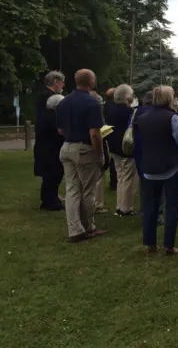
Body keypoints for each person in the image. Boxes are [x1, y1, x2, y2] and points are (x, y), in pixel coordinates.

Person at [57, 69, 107, 243]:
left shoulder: (65, 102)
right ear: (91, 82)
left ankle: (74, 229)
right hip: (84, 149)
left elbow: (60, 129)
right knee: (88, 190)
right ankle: (88, 226)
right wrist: (99, 154)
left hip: (66, 147)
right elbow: (95, 133)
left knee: (71, 190)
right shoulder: (91, 103)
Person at [137, 86, 178, 255]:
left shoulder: (142, 117)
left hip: (149, 166)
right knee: (172, 206)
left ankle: (150, 243)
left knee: (150, 205)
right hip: (170, 167)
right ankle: (168, 245)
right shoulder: (171, 117)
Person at [34, 71, 66, 211]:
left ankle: (49, 198)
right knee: (53, 171)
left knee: (51, 172)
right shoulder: (48, 97)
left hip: (47, 140)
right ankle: (50, 201)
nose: (63, 85)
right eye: (62, 82)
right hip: (49, 141)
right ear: (56, 82)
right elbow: (49, 119)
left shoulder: (44, 96)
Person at [133, 91, 165, 225]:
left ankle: (144, 211)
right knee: (158, 186)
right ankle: (156, 213)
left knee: (144, 185)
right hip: (155, 153)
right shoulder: (156, 114)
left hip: (140, 153)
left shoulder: (136, 113)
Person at [105, 84, 138, 216]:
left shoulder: (111, 109)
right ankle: (126, 207)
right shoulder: (129, 112)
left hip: (113, 146)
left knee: (120, 176)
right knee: (128, 177)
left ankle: (120, 205)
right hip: (126, 147)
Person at [89, 91, 111, 214]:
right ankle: (97, 204)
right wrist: (101, 152)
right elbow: (97, 133)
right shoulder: (95, 113)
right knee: (98, 176)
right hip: (95, 145)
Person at [104, 88, 117, 191]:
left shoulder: (107, 105)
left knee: (113, 157)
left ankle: (113, 181)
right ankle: (114, 181)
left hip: (109, 133)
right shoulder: (113, 107)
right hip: (114, 133)